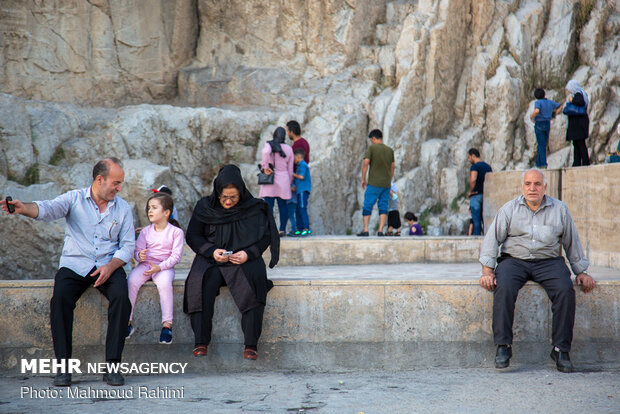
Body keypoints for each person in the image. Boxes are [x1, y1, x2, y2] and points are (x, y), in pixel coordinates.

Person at [0, 158, 134, 387]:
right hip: (75, 263)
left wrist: (111, 266)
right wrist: (23, 209)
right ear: (99, 180)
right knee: (60, 299)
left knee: (122, 298)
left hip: (109, 264)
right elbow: (48, 208)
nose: (119, 188)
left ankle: (112, 366)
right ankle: (63, 368)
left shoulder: (122, 208)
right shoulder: (74, 198)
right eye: (116, 182)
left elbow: (128, 245)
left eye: (120, 183)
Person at [479, 168, 596, 373]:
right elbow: (492, 239)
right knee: (504, 286)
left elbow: (571, 241)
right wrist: (487, 271)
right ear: (522, 186)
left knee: (564, 290)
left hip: (549, 261)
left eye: (537, 184)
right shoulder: (509, 209)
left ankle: (561, 349)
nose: (532, 188)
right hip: (514, 261)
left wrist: (581, 272)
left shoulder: (560, 209)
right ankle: (503, 346)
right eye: (528, 184)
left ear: (545, 187)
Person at [184, 165, 279, 361]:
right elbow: (193, 235)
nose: (228, 201)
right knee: (199, 281)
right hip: (212, 258)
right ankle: (201, 341)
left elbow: (266, 236)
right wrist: (211, 251)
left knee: (254, 280)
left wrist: (248, 253)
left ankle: (250, 344)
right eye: (224, 197)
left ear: (241, 193)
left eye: (233, 197)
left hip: (243, 258)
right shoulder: (205, 207)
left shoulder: (254, 208)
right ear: (217, 192)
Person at [126, 192, 184, 345]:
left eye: (154, 208)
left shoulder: (176, 232)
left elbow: (175, 257)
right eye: (148, 208)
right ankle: (127, 321)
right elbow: (137, 252)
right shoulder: (145, 231)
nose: (149, 211)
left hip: (164, 267)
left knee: (165, 284)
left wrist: (160, 267)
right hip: (146, 266)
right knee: (131, 280)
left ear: (166, 212)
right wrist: (140, 256)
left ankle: (167, 326)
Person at [358, 129, 395, 237]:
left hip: (374, 183)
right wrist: (389, 179)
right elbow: (392, 167)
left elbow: (366, 163)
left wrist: (363, 178)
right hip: (386, 185)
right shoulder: (390, 150)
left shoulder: (372, 148)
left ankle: (365, 230)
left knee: (368, 205)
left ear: (373, 138)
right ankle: (380, 231)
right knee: (383, 206)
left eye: (371, 140)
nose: (371, 142)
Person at [259, 127, 294, 236]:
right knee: (283, 206)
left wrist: (265, 167)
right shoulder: (288, 149)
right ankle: (282, 229)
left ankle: (270, 229)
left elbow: (265, 152)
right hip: (283, 180)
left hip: (270, 180)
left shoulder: (269, 145)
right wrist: (290, 182)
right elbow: (290, 169)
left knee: (269, 207)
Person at [530, 88, 563, 168]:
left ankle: (543, 163)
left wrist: (531, 117)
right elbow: (560, 106)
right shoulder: (549, 102)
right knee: (543, 143)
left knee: (541, 144)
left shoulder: (538, 102)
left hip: (539, 123)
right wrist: (554, 114)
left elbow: (537, 111)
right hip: (547, 123)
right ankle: (538, 162)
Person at [563, 80, 590, 167]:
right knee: (576, 144)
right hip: (576, 124)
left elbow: (580, 102)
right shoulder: (579, 94)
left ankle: (585, 162)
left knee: (580, 143)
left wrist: (571, 100)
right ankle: (577, 162)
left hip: (579, 124)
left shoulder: (578, 94)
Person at [467, 148, 492, 236]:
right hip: (486, 196)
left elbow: (473, 179)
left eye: (469, 157)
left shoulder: (474, 166)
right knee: (485, 221)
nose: (468, 160)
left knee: (476, 221)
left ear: (473, 156)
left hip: (476, 195)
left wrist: (470, 191)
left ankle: (477, 241)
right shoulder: (488, 167)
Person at [292, 148, 312, 236]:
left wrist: (292, 174)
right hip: (299, 191)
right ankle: (299, 229)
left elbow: (301, 177)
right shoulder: (299, 166)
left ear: (298, 156)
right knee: (299, 209)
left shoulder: (303, 165)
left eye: (294, 157)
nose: (293, 159)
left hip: (303, 190)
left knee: (302, 208)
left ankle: (306, 228)